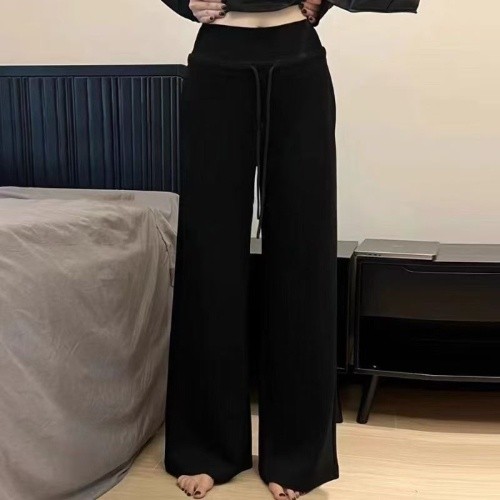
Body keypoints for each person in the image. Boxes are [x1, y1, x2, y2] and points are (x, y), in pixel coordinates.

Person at [160, 1, 338, 499]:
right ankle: (207, 447)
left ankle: (296, 455)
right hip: (218, 64)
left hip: (299, 61)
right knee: (209, 256)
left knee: (303, 255)